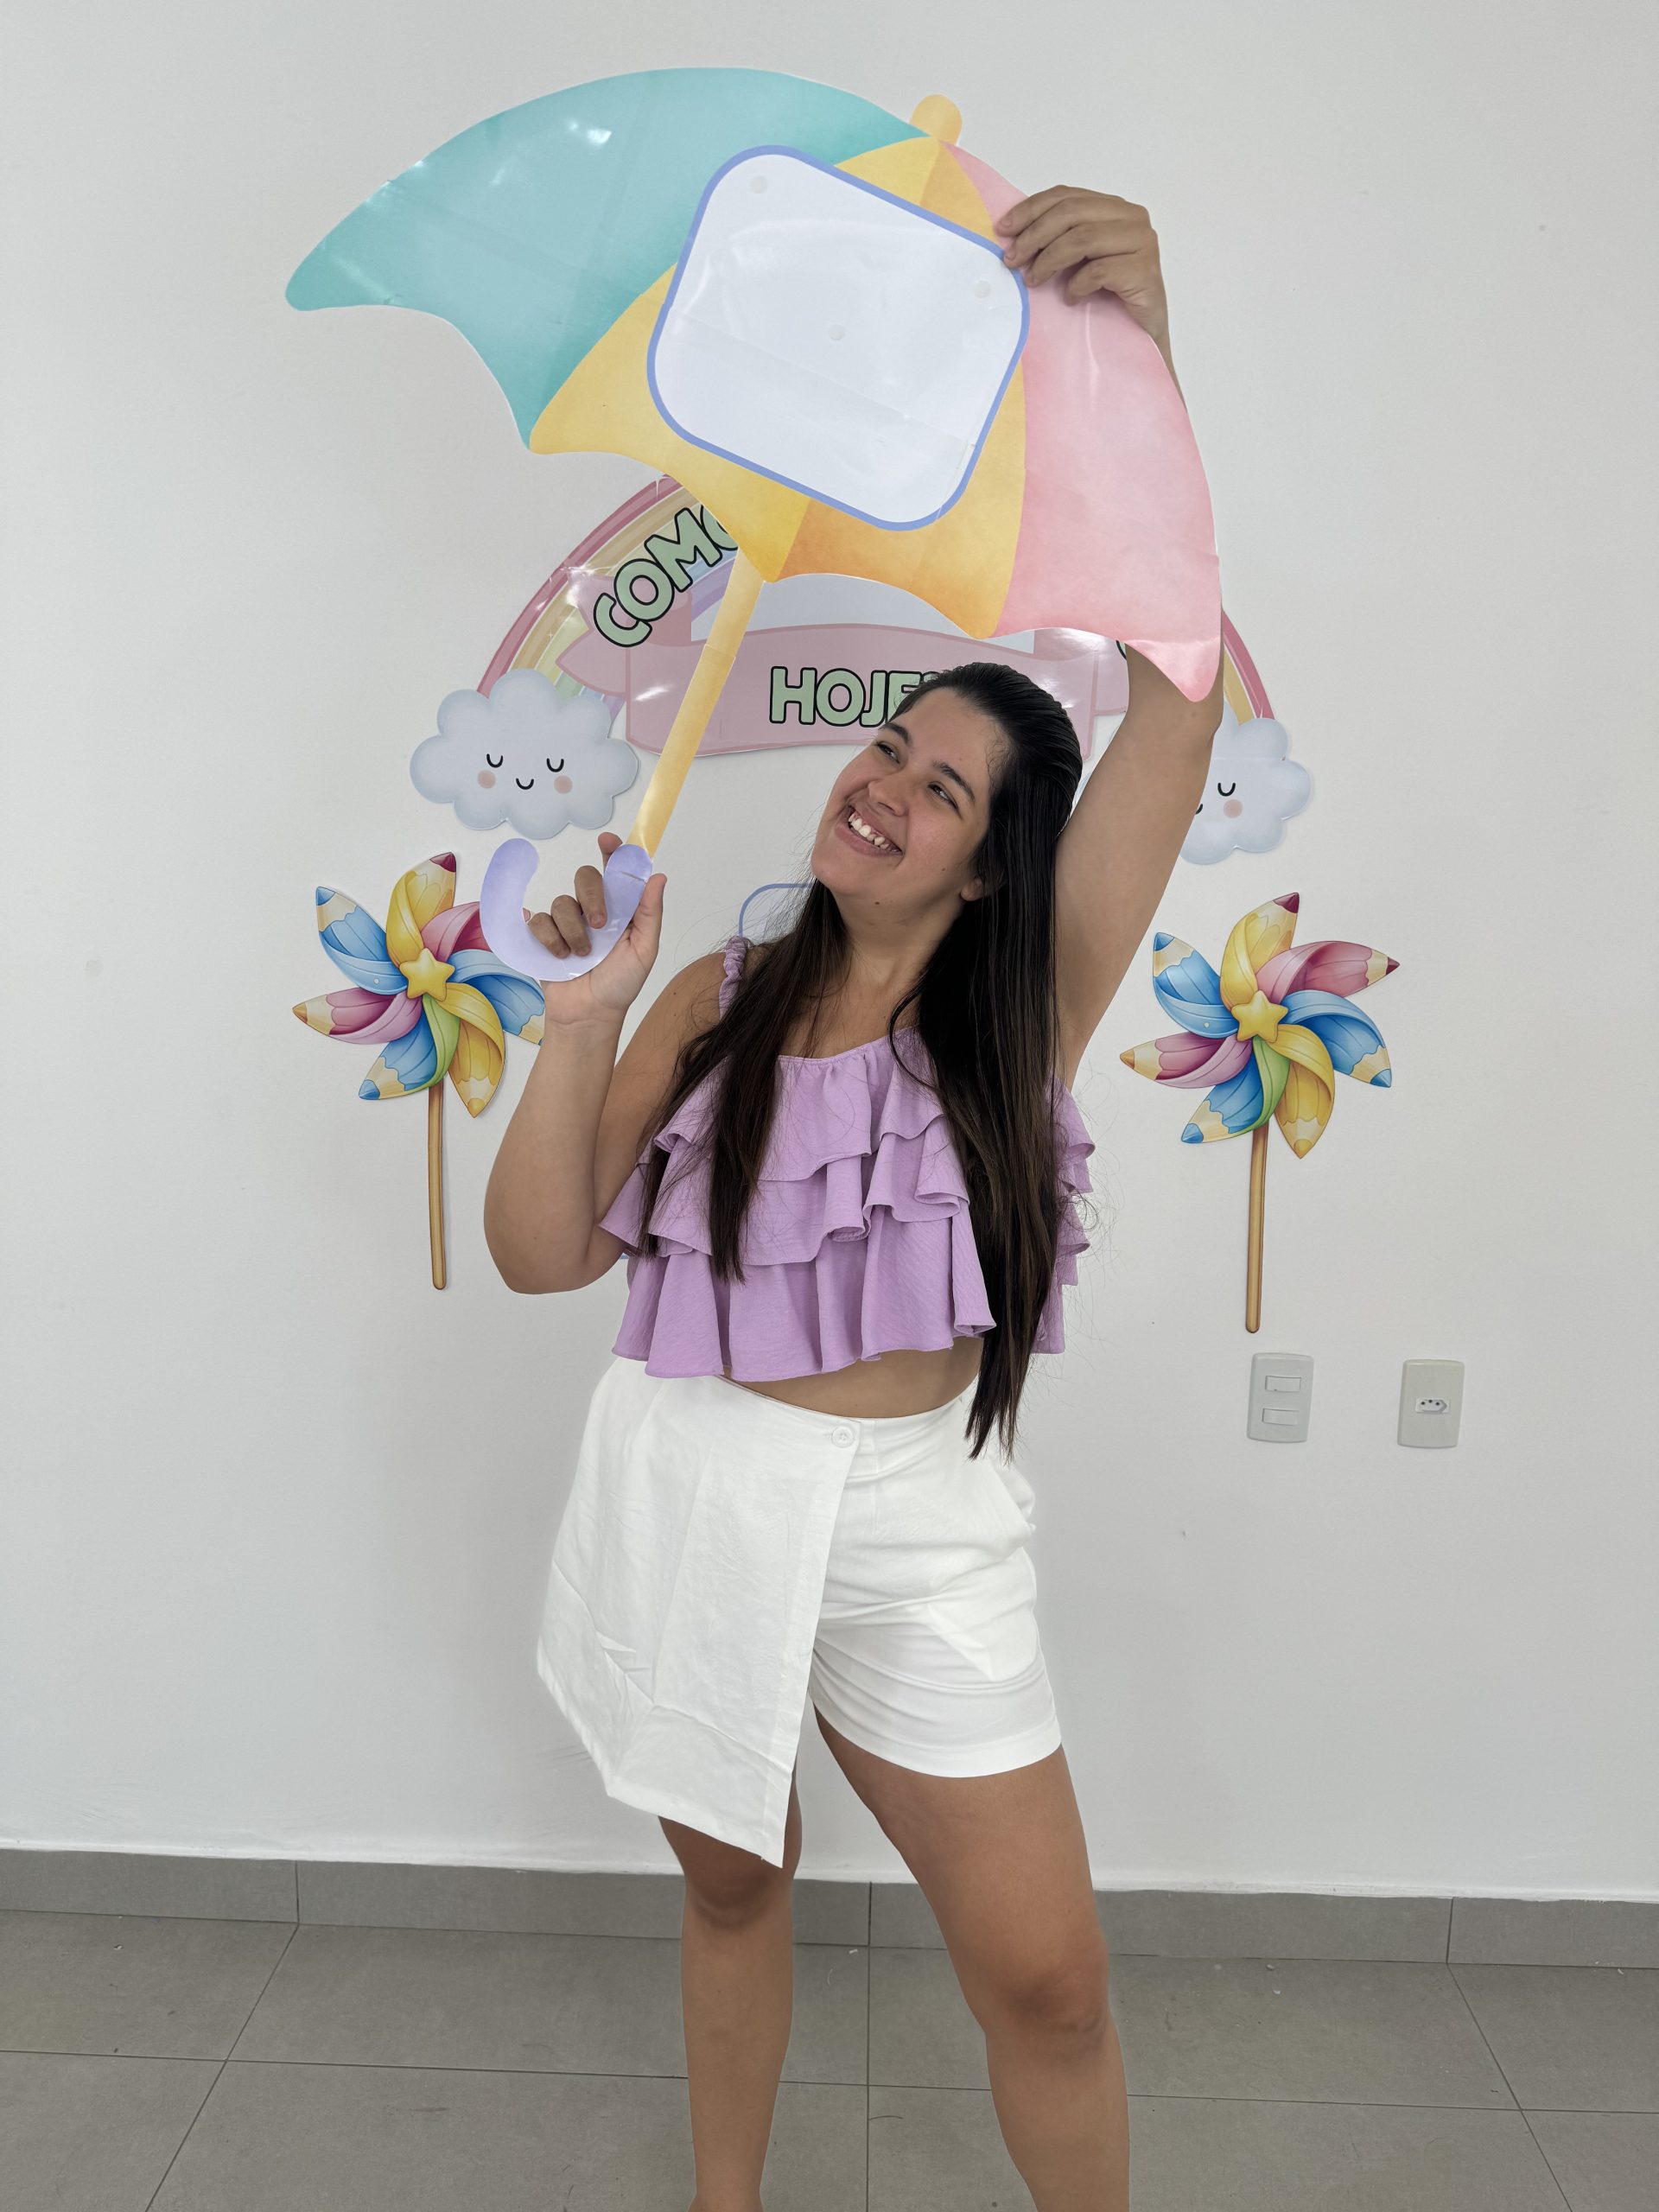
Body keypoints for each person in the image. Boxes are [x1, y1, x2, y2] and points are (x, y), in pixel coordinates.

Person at [485, 186, 1224, 2212]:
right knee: (737, 1883)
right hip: (693, 1477)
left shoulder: (1022, 1013)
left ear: (992, 867)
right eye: (890, 744)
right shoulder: (719, 994)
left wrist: (1145, 364)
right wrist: (579, 1028)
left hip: (916, 1515)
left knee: (1050, 1978)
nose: (884, 781)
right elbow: (541, 1255)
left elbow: (1176, 709)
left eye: (944, 785)